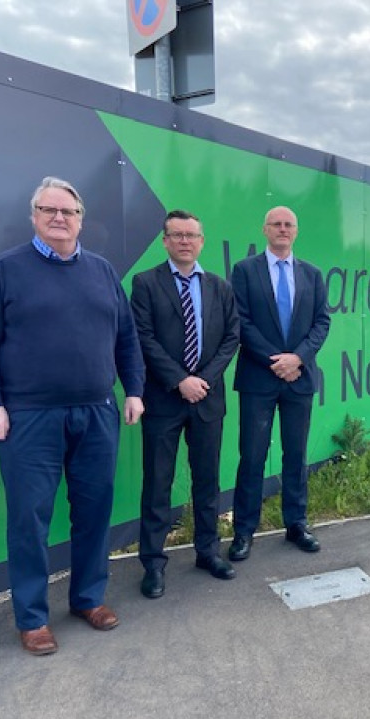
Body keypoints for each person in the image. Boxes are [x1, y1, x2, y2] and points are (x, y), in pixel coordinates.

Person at [0, 176, 145, 656]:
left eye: (68, 211)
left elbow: (125, 337)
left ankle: (88, 598)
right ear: (34, 217)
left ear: (81, 218)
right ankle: (32, 618)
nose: (59, 218)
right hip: (29, 417)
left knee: (94, 511)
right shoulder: (5, 270)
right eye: (49, 210)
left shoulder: (103, 272)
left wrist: (134, 390)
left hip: (96, 413)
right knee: (29, 519)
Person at [131, 210, 240, 598]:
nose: (184, 241)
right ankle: (154, 563)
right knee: (158, 482)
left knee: (207, 480)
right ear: (164, 240)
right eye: (176, 235)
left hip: (208, 400)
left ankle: (208, 552)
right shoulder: (145, 284)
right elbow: (143, 338)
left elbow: (231, 338)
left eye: (192, 235)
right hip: (163, 399)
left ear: (202, 241)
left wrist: (203, 381)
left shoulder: (219, 287)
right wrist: (180, 380)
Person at [228, 206, 330, 562]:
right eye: (277, 224)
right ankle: (243, 531)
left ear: (296, 232)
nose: (283, 229)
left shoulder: (312, 274)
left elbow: (321, 323)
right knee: (252, 456)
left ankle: (296, 524)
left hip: (299, 379)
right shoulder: (244, 271)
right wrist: (277, 360)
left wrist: (297, 359)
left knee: (296, 454)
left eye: (289, 225)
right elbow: (240, 322)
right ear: (265, 230)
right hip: (259, 378)